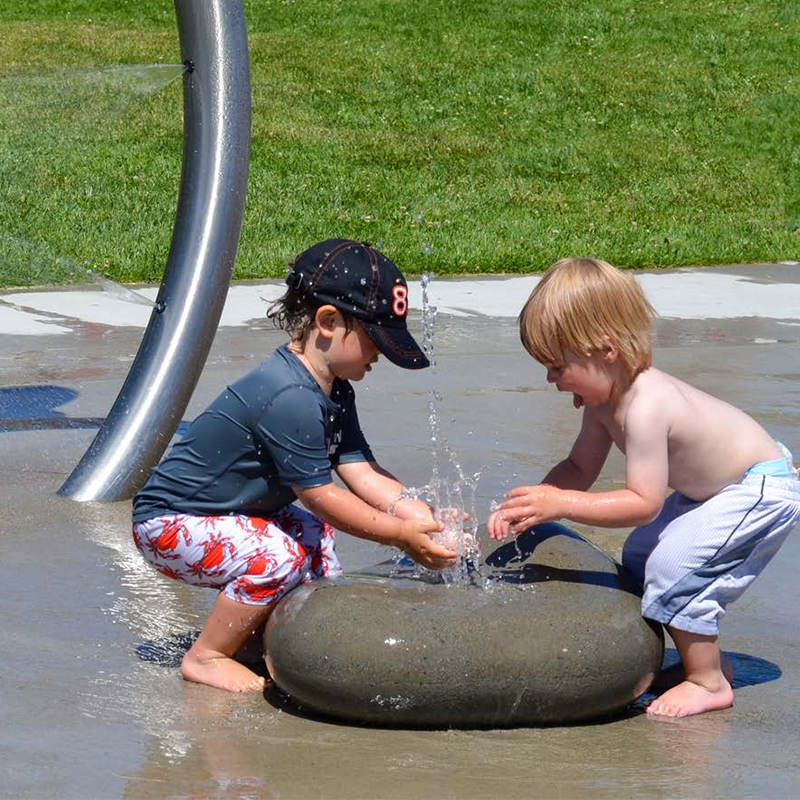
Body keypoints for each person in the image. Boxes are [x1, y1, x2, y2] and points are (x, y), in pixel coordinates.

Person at [132, 239, 456, 693]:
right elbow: (320, 496)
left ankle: (275, 637)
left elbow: (358, 466)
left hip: (227, 516)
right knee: (277, 555)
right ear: (328, 322)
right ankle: (207, 656)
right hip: (169, 523)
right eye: (374, 339)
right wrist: (396, 534)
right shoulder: (290, 396)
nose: (380, 354)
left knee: (314, 539)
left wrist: (414, 512)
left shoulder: (334, 389)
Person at [487, 257, 800, 718]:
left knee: (674, 568)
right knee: (639, 557)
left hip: (757, 489)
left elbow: (643, 503)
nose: (550, 380)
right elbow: (578, 466)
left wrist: (563, 503)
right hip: (713, 490)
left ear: (605, 350)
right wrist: (537, 501)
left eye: (557, 367)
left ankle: (708, 679)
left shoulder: (646, 406)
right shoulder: (602, 401)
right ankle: (704, 660)